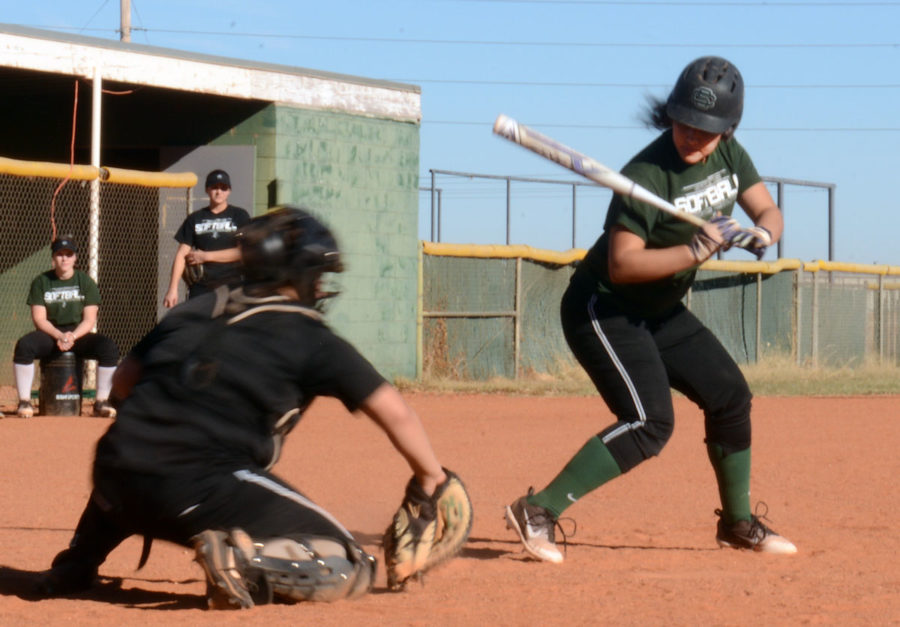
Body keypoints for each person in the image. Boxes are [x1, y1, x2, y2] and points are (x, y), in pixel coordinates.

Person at [35, 207, 452, 608]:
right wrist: (431, 475)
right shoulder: (310, 334)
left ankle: (78, 561)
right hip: (198, 490)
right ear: (299, 274)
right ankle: (245, 561)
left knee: (133, 447)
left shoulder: (197, 307)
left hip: (113, 474)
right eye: (318, 275)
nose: (321, 287)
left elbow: (123, 380)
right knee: (351, 563)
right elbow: (396, 412)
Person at [504, 56, 796, 563]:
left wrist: (761, 233)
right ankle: (537, 510)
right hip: (604, 307)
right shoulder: (646, 174)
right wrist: (694, 251)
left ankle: (737, 523)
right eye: (684, 122)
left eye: (706, 130)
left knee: (729, 395)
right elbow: (622, 265)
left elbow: (767, 208)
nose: (692, 137)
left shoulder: (731, 157)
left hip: (659, 309)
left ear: (729, 130)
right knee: (648, 421)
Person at [12, 236, 119, 419]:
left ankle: (101, 402)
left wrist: (72, 336)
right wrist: (58, 335)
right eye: (60, 254)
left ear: (75, 258)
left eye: (69, 254)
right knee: (24, 346)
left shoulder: (85, 281)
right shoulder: (41, 281)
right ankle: (24, 402)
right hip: (50, 333)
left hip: (77, 333)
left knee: (108, 347)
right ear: (53, 257)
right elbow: (39, 318)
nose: (64, 259)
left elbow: (89, 320)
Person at [163, 169, 251, 308]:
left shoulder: (239, 216)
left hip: (230, 284)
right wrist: (172, 289)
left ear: (229, 191)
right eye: (214, 187)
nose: (219, 192)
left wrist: (206, 256)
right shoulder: (195, 218)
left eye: (223, 188)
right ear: (207, 190)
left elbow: (242, 252)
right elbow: (181, 254)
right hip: (201, 285)